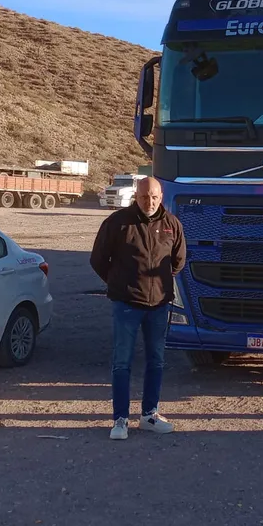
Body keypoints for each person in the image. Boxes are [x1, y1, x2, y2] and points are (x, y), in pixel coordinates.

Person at [89, 176, 186, 440]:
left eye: (154, 197)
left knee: (156, 360)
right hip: (127, 305)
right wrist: (119, 283)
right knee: (122, 362)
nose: (149, 202)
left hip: (159, 306)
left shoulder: (172, 225)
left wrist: (159, 285)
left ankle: (149, 415)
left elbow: (178, 261)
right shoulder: (117, 223)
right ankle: (120, 420)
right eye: (144, 197)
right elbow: (98, 259)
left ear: (161, 196)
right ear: (136, 196)